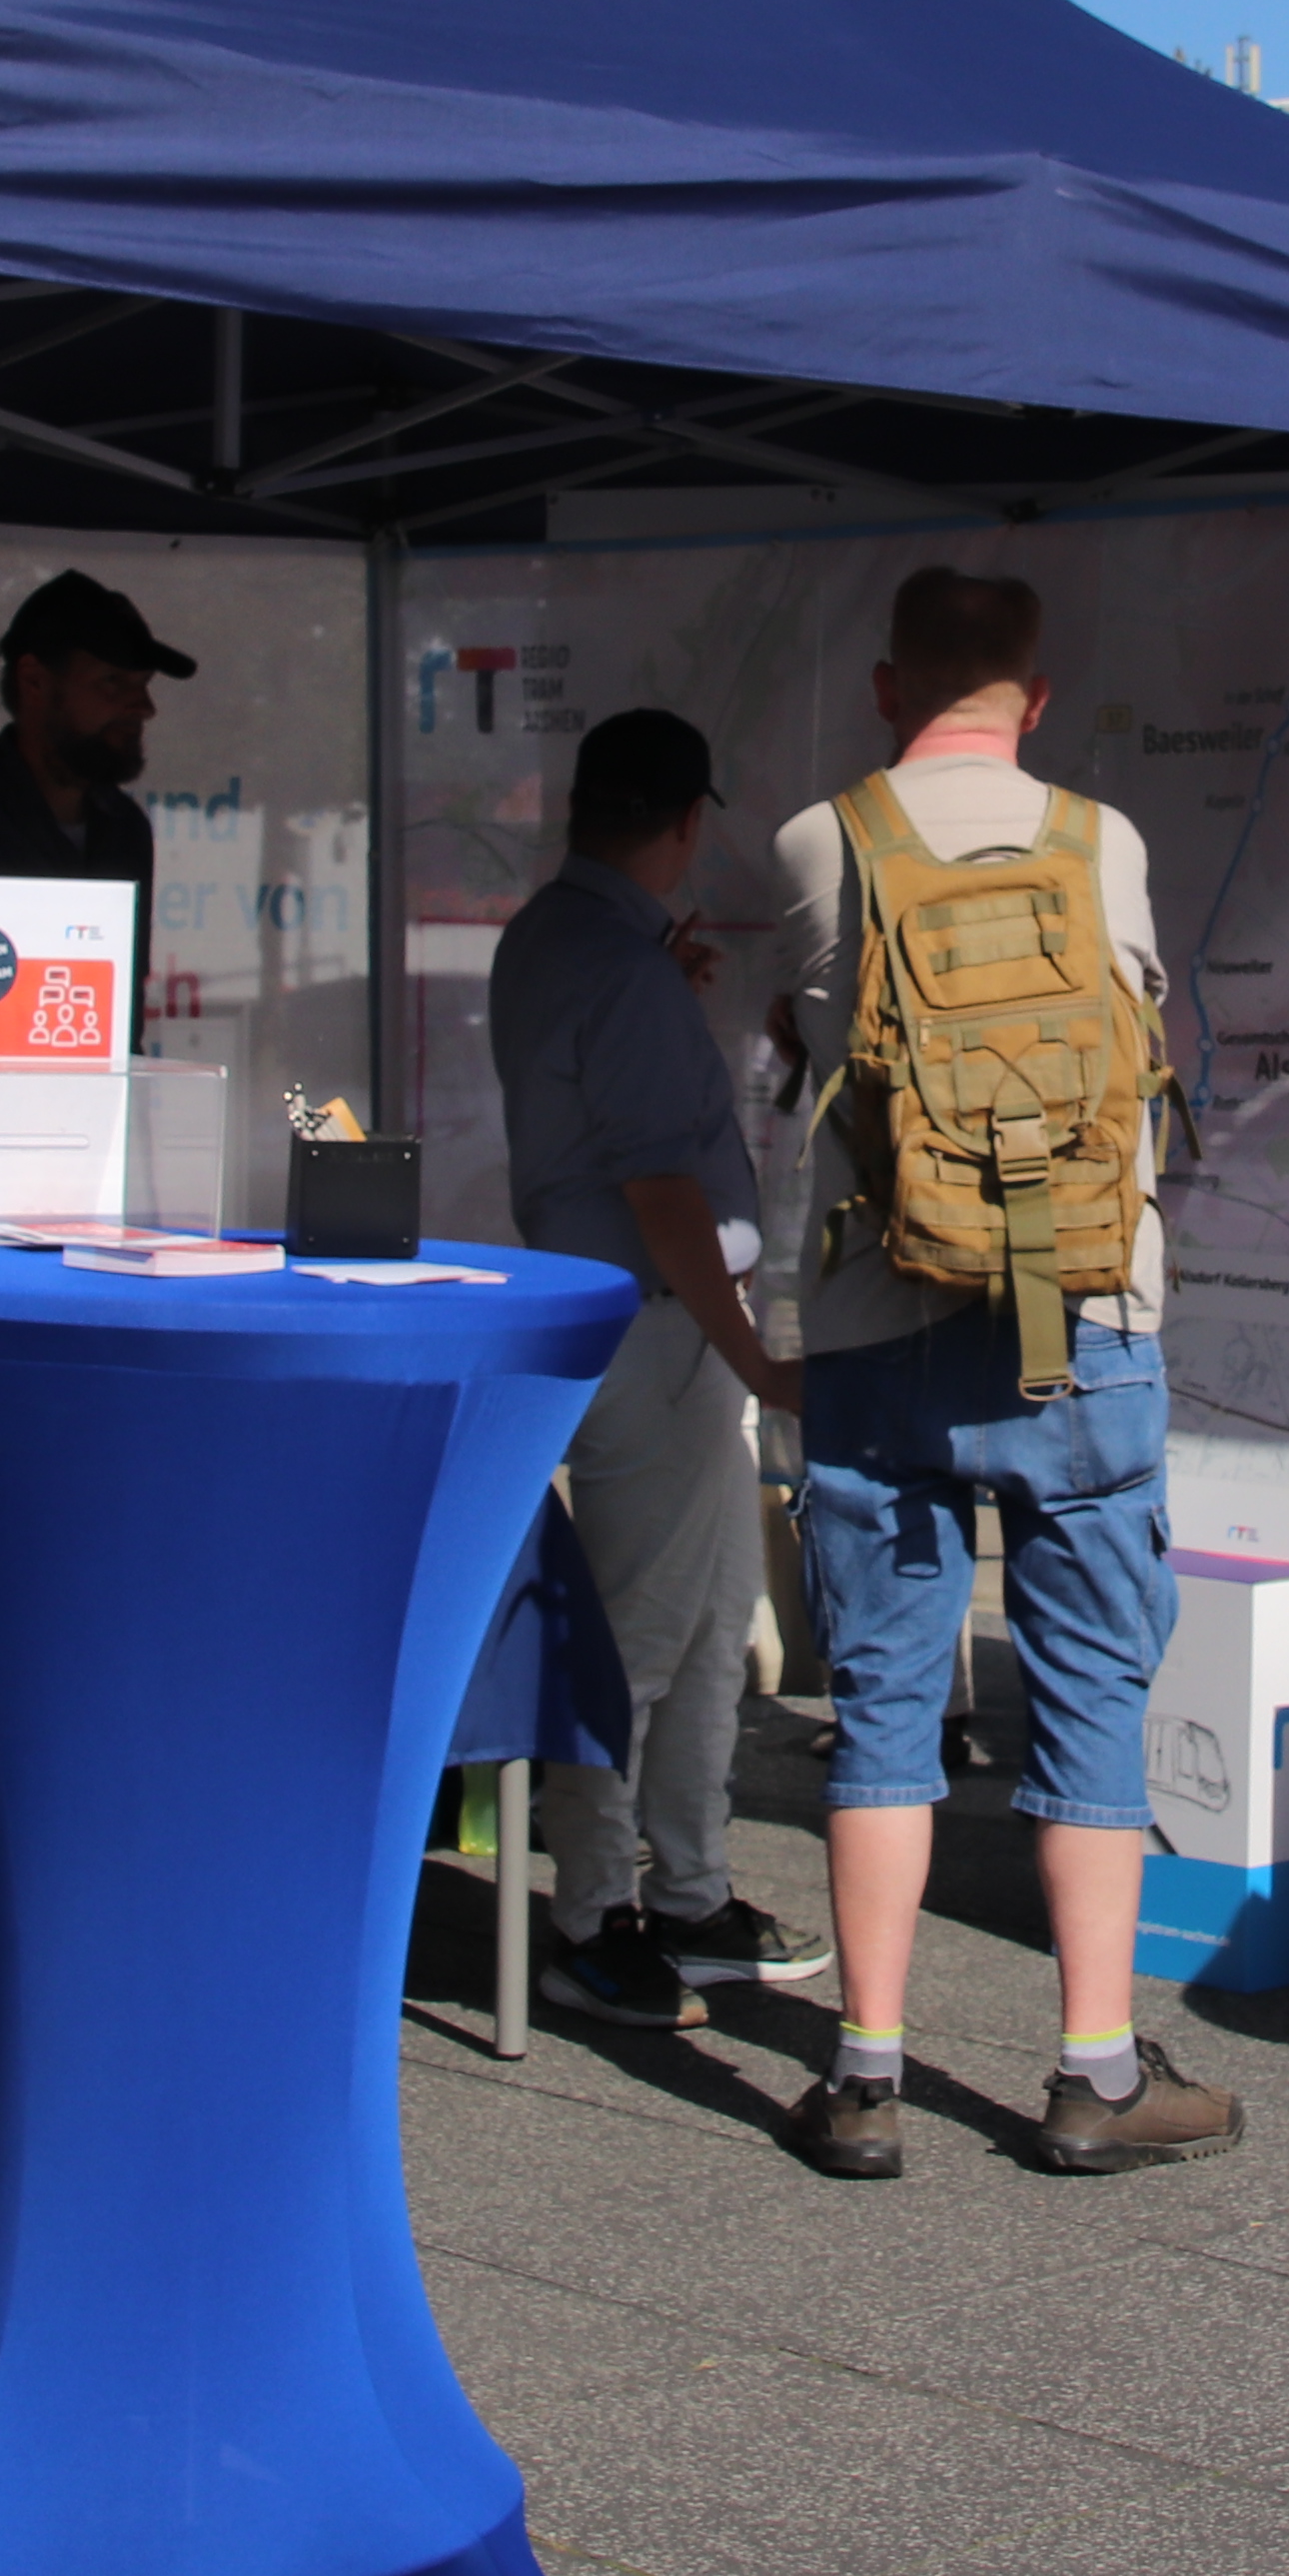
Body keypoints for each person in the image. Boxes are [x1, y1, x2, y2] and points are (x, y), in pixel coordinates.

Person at [765, 566, 1235, 2180]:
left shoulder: (817, 842)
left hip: (876, 1328)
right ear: (1033, 701)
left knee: (885, 1705)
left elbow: (819, 1059)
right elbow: (1141, 1050)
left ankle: (868, 2075)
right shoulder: (1107, 842)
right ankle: (1093, 2070)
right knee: (1092, 1686)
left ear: (892, 686)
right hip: (1083, 1322)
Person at [489, 708, 827, 2030]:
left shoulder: (561, 941)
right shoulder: (618, 969)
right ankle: (596, 1914)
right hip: (667, 1326)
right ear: (689, 823)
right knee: (645, 1632)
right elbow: (659, 1187)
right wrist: (755, 1354)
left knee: (701, 1628)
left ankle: (686, 1890)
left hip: (655, 1326)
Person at [0, 570, 179, 999]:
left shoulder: (125, 830)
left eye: (144, 685)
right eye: (113, 681)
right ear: (34, 680)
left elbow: (120, 1014)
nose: (144, 707)